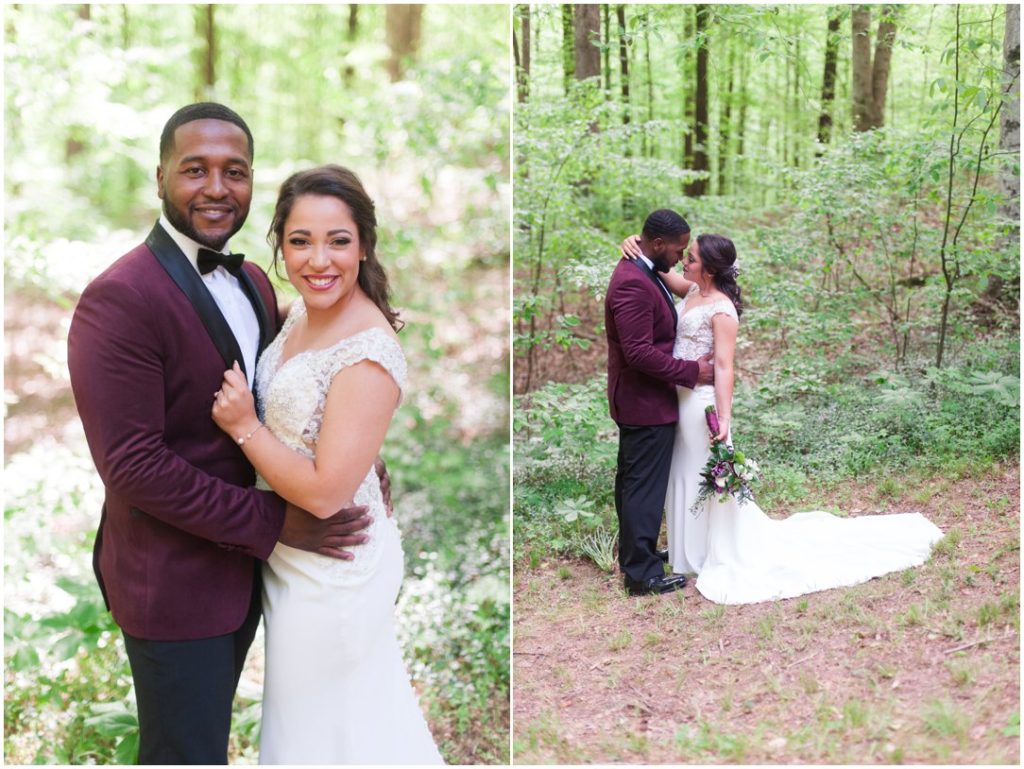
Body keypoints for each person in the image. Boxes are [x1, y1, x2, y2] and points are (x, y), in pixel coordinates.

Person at [67, 103, 377, 764]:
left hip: (245, 576)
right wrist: (275, 519)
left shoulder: (257, 281)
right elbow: (134, 465)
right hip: (173, 582)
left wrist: (346, 450)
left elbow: (279, 386)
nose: (216, 187)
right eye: (195, 169)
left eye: (234, 171)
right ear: (159, 178)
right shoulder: (119, 298)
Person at [211, 165, 443, 764]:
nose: (319, 260)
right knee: (324, 726)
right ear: (280, 244)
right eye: (300, 241)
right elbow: (321, 422)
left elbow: (321, 495)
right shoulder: (301, 315)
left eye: (338, 240)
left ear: (364, 244)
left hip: (335, 562)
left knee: (330, 732)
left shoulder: (368, 347)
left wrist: (244, 428)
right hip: (292, 559)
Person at [621, 231, 943, 604]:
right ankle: (687, 552)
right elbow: (661, 269)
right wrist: (636, 244)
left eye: (690, 258)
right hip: (679, 397)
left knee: (699, 472)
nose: (683, 262)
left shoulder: (722, 309)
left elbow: (725, 367)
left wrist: (724, 417)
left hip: (702, 405)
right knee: (684, 473)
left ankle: (710, 552)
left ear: (708, 269)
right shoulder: (693, 291)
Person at [605, 209, 715, 597]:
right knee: (641, 487)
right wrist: (692, 372)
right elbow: (637, 352)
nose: (680, 256)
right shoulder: (632, 282)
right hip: (643, 400)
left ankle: (640, 553)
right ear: (657, 244)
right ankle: (641, 574)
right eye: (677, 249)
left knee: (635, 483)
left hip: (645, 399)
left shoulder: (645, 268)